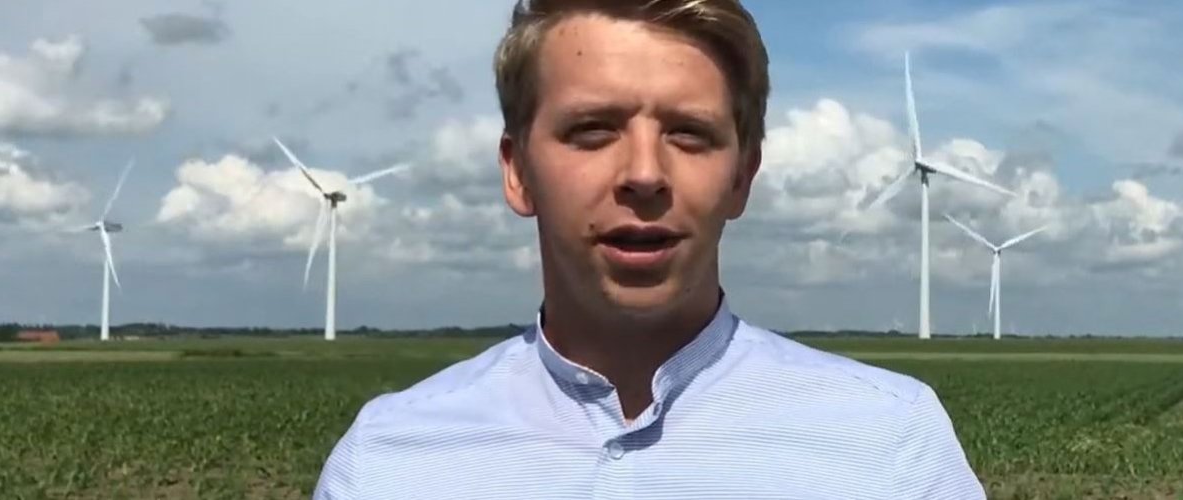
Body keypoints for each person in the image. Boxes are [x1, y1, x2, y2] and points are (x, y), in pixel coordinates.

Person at [311, 0, 985, 498]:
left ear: (743, 176)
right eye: (592, 130)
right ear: (517, 172)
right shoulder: (386, 464)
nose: (644, 173)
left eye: (689, 134)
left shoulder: (891, 447)